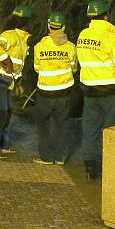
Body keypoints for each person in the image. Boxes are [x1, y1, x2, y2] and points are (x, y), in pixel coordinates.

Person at [76, 0, 115, 180]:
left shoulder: (83, 35)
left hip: (89, 90)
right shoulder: (110, 37)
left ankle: (90, 166)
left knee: (90, 128)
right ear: (106, 16)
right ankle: (111, 166)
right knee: (112, 128)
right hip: (110, 91)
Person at [0, 4, 32, 159]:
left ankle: (2, 144)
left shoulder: (23, 39)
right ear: (25, 22)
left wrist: (17, 81)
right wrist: (7, 62)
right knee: (0, 113)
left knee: (7, 112)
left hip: (6, 81)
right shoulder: (10, 34)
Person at [32, 11, 77, 166]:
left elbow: (37, 68)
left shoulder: (39, 46)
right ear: (63, 27)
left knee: (43, 125)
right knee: (62, 125)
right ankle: (60, 157)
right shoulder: (71, 47)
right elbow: (74, 68)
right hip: (64, 92)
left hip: (44, 92)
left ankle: (46, 157)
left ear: (49, 26)